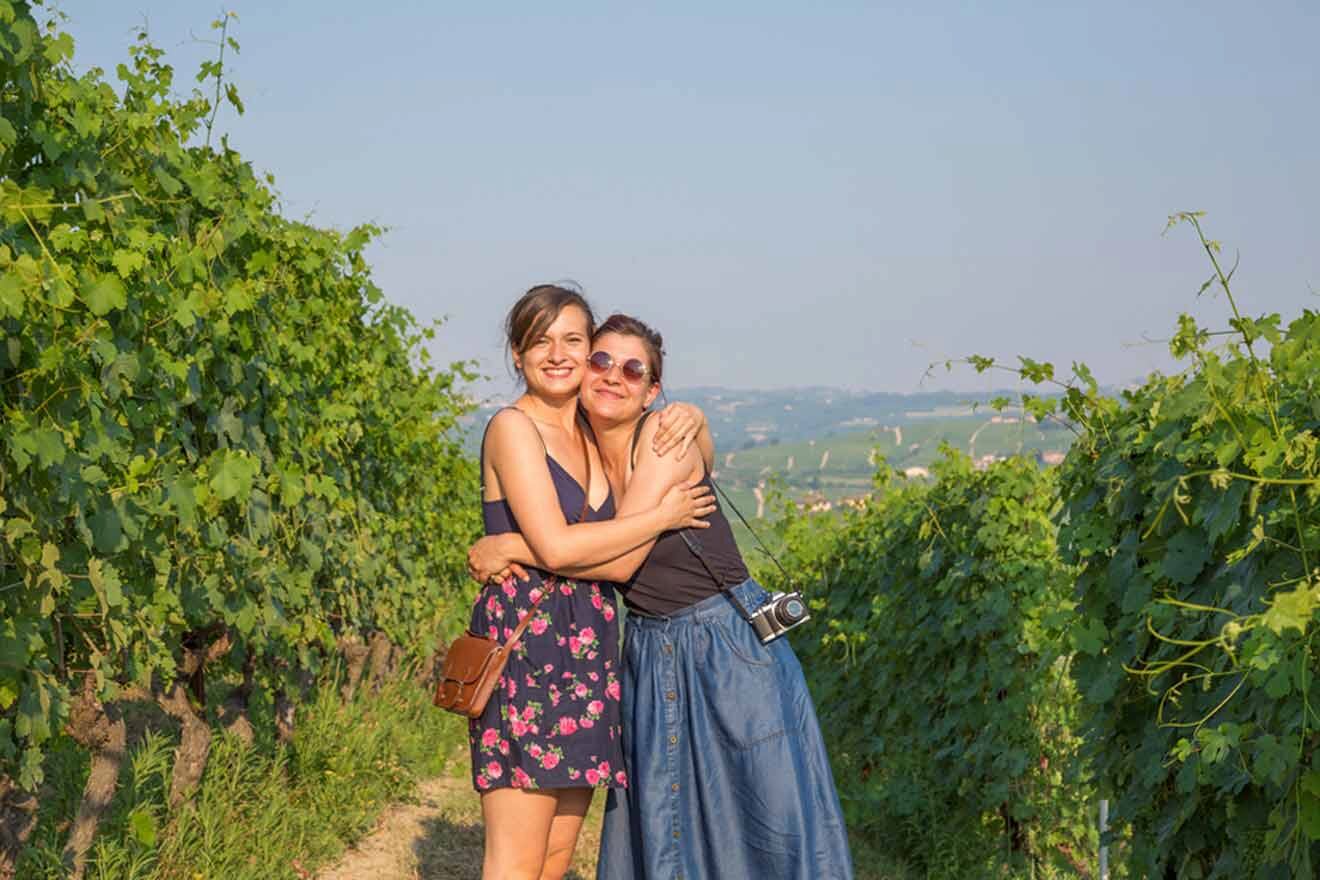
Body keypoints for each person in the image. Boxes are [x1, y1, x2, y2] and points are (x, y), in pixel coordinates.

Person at [469, 313, 854, 879]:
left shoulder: (660, 435)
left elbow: (621, 558)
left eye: (633, 369)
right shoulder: (581, 446)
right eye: (601, 360)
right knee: (675, 823)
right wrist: (697, 429)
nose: (612, 376)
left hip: (721, 645)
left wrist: (515, 546)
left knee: (756, 819)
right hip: (648, 649)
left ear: (652, 390)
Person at [470, 285, 716, 880]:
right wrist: (659, 518)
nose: (557, 353)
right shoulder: (513, 428)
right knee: (517, 858)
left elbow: (692, 461)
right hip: (526, 647)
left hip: (589, 645)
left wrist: (695, 415)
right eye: (539, 340)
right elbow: (557, 546)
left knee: (556, 859)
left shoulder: (588, 428)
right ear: (517, 353)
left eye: (573, 341)